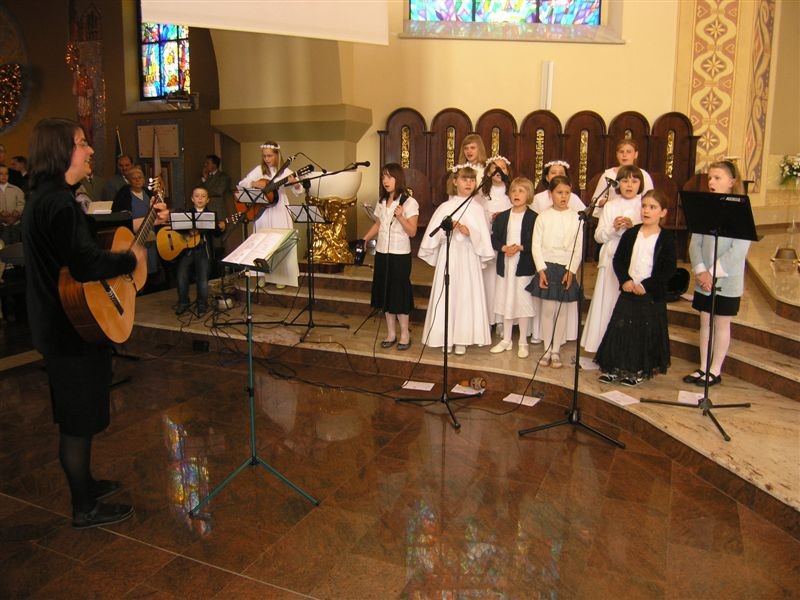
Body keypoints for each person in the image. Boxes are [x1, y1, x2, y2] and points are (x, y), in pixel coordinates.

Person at [21, 117, 167, 528]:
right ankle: (84, 507)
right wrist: (129, 260)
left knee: (79, 415)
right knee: (76, 421)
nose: (89, 150)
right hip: (68, 327)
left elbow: (81, 243)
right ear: (61, 151)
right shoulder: (58, 203)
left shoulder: (49, 197)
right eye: (82, 143)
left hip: (62, 323)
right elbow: (86, 264)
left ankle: (86, 483)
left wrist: (136, 229)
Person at [595, 189, 677, 386]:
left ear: (663, 212)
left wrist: (646, 285)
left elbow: (667, 268)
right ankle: (614, 367)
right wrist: (625, 280)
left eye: (652, 207)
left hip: (649, 294)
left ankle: (638, 369)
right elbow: (619, 260)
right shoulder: (632, 233)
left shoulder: (666, 238)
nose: (646, 211)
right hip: (629, 290)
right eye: (644, 206)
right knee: (621, 329)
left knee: (643, 332)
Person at [682, 160, 751, 387]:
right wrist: (701, 271)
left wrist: (713, 274)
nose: (711, 182)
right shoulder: (704, 208)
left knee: (721, 323)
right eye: (710, 178)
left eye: (717, 178)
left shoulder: (741, 210)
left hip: (726, 278)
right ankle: (703, 366)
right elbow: (695, 243)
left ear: (732, 182)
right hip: (704, 278)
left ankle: (715, 369)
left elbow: (738, 250)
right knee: (705, 322)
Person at [419, 165, 494, 355]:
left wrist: (471, 232)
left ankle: (463, 339)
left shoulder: (478, 209)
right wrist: (447, 231)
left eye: (472, 180)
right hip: (450, 256)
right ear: (454, 182)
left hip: (468, 258)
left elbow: (484, 238)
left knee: (466, 295)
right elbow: (433, 237)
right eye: (464, 179)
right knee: (448, 294)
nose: (469, 183)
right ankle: (446, 337)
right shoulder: (445, 207)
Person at [582, 164, 645, 353]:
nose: (629, 185)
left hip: (634, 259)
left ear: (640, 184)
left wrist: (632, 227)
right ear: (618, 184)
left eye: (634, 181)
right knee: (608, 302)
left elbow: (649, 234)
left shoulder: (644, 205)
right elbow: (598, 236)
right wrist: (613, 228)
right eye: (625, 180)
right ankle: (604, 347)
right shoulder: (610, 206)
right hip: (611, 259)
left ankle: (626, 348)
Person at [526, 175, 583, 368]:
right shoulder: (543, 217)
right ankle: (547, 349)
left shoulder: (576, 217)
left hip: (566, 269)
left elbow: (578, 247)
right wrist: (541, 269)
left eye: (567, 192)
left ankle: (556, 350)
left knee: (562, 311)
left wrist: (571, 271)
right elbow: (535, 246)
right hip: (547, 267)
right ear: (551, 194)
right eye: (559, 192)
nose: (563, 196)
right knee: (548, 310)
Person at [361, 163, 419, 350]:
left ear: (398, 178)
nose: (385, 181)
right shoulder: (381, 201)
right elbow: (378, 224)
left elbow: (412, 232)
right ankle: (391, 333)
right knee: (385, 292)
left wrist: (401, 217)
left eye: (389, 177)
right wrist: (365, 238)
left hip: (400, 254)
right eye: (383, 177)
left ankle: (405, 335)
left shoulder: (409, 202)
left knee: (398, 294)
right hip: (382, 253)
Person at [238, 141, 300, 287]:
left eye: (270, 156)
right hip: (263, 209)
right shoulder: (259, 170)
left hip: (280, 208)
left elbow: (298, 190)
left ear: (277, 155)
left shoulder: (286, 172)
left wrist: (296, 184)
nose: (267, 159)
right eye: (264, 156)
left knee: (279, 241)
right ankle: (263, 275)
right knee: (263, 242)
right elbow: (242, 183)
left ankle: (280, 277)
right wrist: (254, 183)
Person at [489, 177, 536, 358]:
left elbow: (537, 243)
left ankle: (522, 341)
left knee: (522, 302)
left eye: (521, 191)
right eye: (514, 190)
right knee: (506, 301)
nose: (516, 194)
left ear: (528, 195)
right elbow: (494, 239)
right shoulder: (502, 217)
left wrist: (520, 248)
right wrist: (503, 248)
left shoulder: (534, 218)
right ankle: (506, 339)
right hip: (506, 265)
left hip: (523, 266)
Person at [175, 185, 225, 316]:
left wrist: (221, 228)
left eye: (203, 196)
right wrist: (188, 232)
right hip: (187, 250)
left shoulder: (211, 215)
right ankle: (183, 302)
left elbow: (216, 234)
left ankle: (202, 304)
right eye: (197, 196)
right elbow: (178, 230)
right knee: (181, 274)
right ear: (192, 198)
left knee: (202, 277)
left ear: (208, 200)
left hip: (203, 249)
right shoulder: (186, 214)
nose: (200, 199)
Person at [479, 155, 513, 335]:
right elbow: (476, 217)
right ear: (488, 172)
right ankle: (487, 318)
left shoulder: (511, 194)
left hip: (506, 246)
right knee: (488, 283)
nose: (499, 171)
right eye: (495, 168)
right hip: (488, 245)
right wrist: (490, 218)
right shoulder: (482, 195)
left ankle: (501, 320)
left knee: (503, 283)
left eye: (503, 168)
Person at [590, 139, 654, 219]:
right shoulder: (608, 175)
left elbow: (650, 198)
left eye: (628, 152)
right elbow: (595, 199)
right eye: (621, 152)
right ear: (617, 154)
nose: (624, 155)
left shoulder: (643, 175)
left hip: (636, 216)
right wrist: (602, 202)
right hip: (612, 215)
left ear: (635, 154)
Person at [198, 154, 233, 276]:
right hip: (205, 211)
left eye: (207, 163)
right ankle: (209, 269)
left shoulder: (223, 177)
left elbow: (218, 191)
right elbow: (197, 191)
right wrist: (204, 179)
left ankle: (220, 271)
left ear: (214, 164)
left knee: (219, 242)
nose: (205, 165)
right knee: (208, 241)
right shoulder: (205, 178)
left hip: (218, 210)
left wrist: (205, 183)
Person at [0, 164, 25, 245]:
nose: (4, 176)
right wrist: (1, 212)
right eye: (1, 174)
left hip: (15, 223)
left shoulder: (16, 189)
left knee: (15, 245)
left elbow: (22, 203)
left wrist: (17, 211)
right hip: (2, 224)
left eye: (6, 174)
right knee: (4, 246)